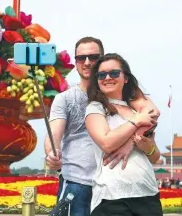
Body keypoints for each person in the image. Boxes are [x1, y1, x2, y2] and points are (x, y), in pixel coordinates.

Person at [44, 37, 160, 215]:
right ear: (75, 63)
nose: (87, 62)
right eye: (81, 58)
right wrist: (52, 153)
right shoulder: (66, 98)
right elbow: (53, 134)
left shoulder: (127, 96)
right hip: (79, 182)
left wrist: (131, 142)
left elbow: (152, 113)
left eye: (93, 57)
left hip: (115, 186)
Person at [85, 53, 163, 216]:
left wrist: (141, 146)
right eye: (101, 75)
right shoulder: (96, 108)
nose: (107, 78)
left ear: (125, 78)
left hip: (148, 194)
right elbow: (106, 143)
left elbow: (155, 156)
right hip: (112, 198)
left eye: (114, 73)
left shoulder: (136, 109)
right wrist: (136, 121)